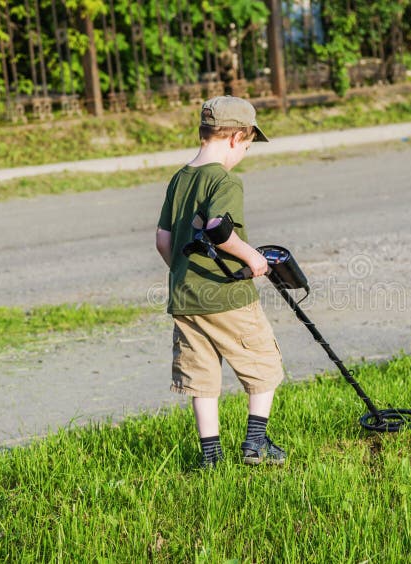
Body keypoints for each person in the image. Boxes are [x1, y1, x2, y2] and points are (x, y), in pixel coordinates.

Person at [155, 96, 286, 468]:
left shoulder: (180, 179)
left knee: (202, 376)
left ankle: (210, 457)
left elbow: (163, 241)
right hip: (228, 295)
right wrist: (252, 257)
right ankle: (256, 442)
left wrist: (184, 273)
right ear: (235, 137)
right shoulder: (224, 181)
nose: (244, 151)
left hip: (186, 298)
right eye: (247, 145)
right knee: (262, 362)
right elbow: (218, 229)